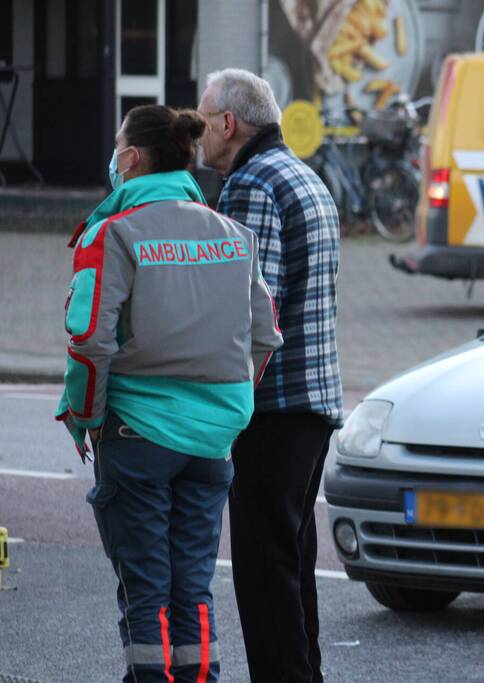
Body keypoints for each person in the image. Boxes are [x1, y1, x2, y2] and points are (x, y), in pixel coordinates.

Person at [55, 104, 284, 683]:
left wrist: (84, 416)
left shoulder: (114, 233)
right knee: (193, 587)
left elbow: (88, 340)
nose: (113, 156)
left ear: (131, 158)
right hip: (212, 443)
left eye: (116, 146)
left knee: (147, 589)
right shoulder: (232, 234)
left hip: (137, 435)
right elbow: (265, 334)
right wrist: (230, 409)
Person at [198, 68, 343, 683]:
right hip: (314, 402)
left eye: (203, 121)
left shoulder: (251, 183)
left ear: (229, 124)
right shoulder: (305, 175)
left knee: (262, 572)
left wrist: (220, 402)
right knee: (291, 562)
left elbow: (254, 307)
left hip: (273, 407)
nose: (197, 134)